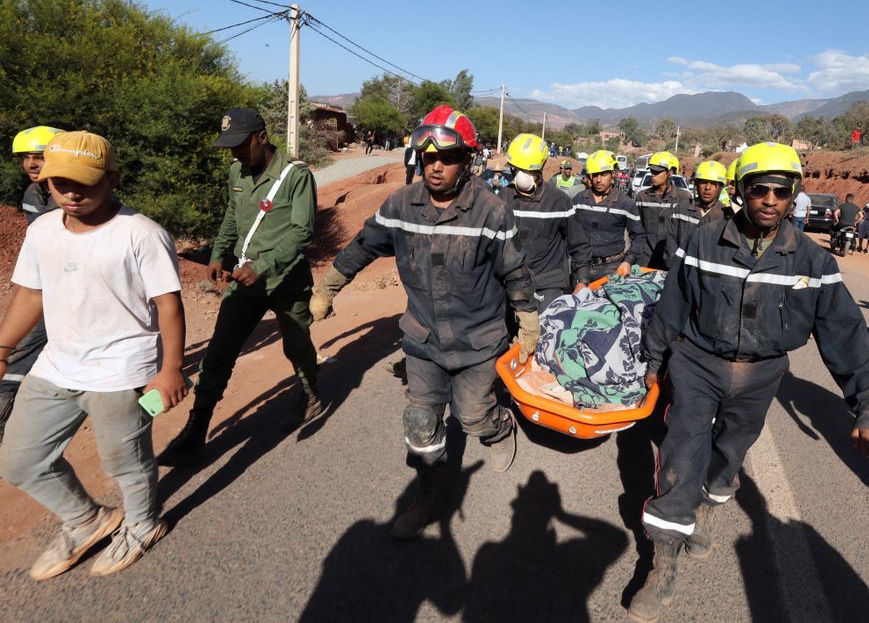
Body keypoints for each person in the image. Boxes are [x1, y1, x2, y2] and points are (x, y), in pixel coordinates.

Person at [630, 142, 869, 621]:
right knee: (681, 451)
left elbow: (845, 335)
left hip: (761, 373)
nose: (770, 199)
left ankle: (707, 505)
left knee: (729, 452)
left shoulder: (812, 263)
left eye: (781, 190)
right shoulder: (703, 243)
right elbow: (673, 305)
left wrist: (868, 405)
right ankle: (663, 558)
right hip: (697, 362)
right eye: (759, 189)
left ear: (793, 195)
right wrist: (653, 360)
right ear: (740, 191)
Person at [309, 106, 534, 538]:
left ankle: (500, 424)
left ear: (466, 160)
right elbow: (365, 245)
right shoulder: (401, 205)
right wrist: (328, 287)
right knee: (420, 422)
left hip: (477, 340)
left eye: (446, 158)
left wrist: (528, 321)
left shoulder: (491, 211)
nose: (435, 166)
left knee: (472, 417)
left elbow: (514, 270)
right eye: (427, 157)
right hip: (424, 338)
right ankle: (429, 494)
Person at [0, 131, 184, 578]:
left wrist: (170, 369)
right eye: (61, 182)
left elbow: (169, 304)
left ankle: (143, 524)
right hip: (56, 365)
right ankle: (87, 520)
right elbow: (29, 293)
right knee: (20, 461)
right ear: (46, 180)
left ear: (113, 178)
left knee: (124, 460)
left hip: (121, 369)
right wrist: (3, 347)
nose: (72, 192)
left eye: (85, 182)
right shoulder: (43, 230)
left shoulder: (141, 234)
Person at [158, 108, 323, 467]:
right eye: (229, 146)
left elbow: (302, 232)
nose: (234, 153)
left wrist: (262, 266)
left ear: (261, 138)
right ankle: (196, 429)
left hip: (286, 280)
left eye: (240, 145)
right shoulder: (236, 171)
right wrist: (218, 252)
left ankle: (310, 392)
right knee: (218, 353)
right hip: (244, 283)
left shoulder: (296, 176)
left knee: (296, 345)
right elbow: (232, 216)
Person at [1, 126, 64, 442]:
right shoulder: (30, 195)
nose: (31, 164)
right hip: (44, 288)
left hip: (72, 293)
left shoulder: (74, 197)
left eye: (39, 156)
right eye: (26, 157)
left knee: (18, 353)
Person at [498, 134, 589, 312]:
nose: (520, 175)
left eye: (526, 170)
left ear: (539, 169)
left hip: (548, 287)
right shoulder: (504, 198)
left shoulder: (559, 201)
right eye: (516, 169)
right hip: (510, 285)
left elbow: (579, 244)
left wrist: (582, 280)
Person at [570, 150, 648, 285]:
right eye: (595, 175)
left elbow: (639, 236)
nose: (598, 180)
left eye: (604, 174)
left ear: (613, 174)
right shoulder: (579, 200)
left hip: (611, 269)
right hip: (580, 268)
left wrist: (628, 261)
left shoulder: (626, 203)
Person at [635, 151, 692, 269]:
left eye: (657, 172)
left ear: (670, 173)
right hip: (645, 261)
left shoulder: (684, 198)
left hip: (672, 264)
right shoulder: (642, 196)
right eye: (652, 171)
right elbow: (636, 230)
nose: (653, 175)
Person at [666, 160, 730, 258]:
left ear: (720, 187)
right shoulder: (681, 208)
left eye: (713, 183)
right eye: (703, 182)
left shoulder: (726, 215)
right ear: (696, 184)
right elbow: (670, 243)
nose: (707, 187)